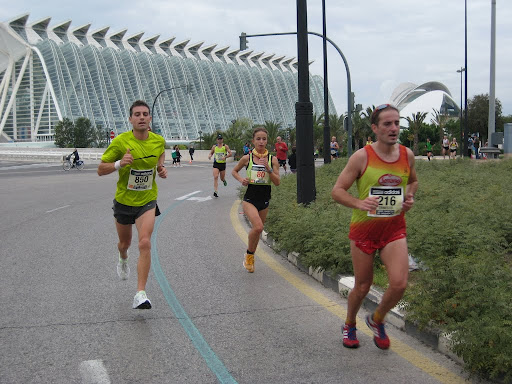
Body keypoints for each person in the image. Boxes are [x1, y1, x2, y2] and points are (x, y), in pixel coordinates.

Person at [331, 104, 418, 350]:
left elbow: (413, 181)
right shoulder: (362, 157)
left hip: (393, 229)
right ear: (375, 128)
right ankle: (349, 324)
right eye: (387, 124)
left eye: (397, 123)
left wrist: (409, 197)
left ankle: (377, 319)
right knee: (362, 286)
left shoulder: (406, 155)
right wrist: (360, 202)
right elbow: (337, 191)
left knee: (400, 284)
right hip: (364, 231)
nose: (393, 128)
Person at [97, 100, 167, 310]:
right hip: (124, 201)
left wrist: (161, 167)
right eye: (137, 114)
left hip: (147, 200)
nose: (142, 117)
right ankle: (122, 258)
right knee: (124, 243)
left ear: (150, 118)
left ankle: (140, 293)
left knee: (145, 242)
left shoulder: (158, 141)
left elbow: (160, 153)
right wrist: (120, 163)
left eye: (145, 114)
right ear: (130, 119)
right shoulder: (120, 142)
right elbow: (101, 169)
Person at [232, 127, 280, 273]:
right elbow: (234, 171)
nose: (261, 142)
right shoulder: (247, 158)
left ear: (267, 141)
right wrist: (241, 179)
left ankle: (250, 256)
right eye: (258, 139)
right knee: (258, 227)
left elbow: (277, 182)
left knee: (258, 230)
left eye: (264, 139)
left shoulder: (273, 160)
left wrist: (268, 169)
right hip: (250, 198)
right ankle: (249, 255)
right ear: (253, 141)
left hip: (265, 198)